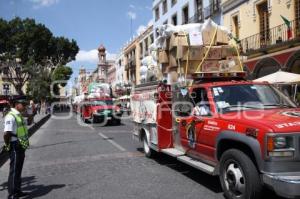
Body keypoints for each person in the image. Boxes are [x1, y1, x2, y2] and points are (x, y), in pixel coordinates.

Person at [3, 100, 29, 199]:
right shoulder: (11, 116)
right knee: (14, 170)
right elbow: (6, 133)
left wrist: (30, 114)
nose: (25, 106)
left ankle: (17, 190)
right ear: (17, 105)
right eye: (24, 104)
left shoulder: (19, 115)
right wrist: (7, 145)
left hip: (20, 145)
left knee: (18, 169)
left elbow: (29, 122)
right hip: (14, 145)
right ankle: (12, 194)